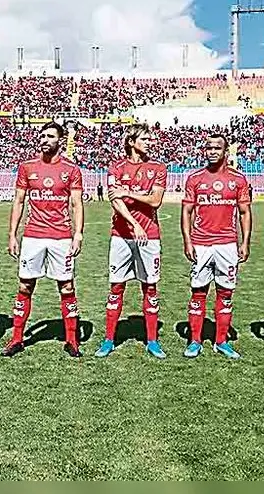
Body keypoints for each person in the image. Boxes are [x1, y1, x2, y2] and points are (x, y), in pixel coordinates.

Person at [3, 122, 84, 358]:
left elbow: (76, 204)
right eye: (42, 136)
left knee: (66, 286)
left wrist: (77, 234)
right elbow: (19, 202)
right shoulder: (27, 167)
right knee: (24, 286)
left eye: (50, 136)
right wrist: (12, 234)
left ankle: (71, 340)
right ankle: (17, 338)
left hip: (61, 237)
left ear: (61, 140)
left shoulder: (71, 169)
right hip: (33, 236)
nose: (44, 140)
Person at [94, 124, 168, 359]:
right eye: (145, 138)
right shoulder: (116, 167)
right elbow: (114, 200)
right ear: (131, 141)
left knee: (150, 287)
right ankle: (108, 339)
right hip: (121, 236)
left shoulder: (158, 168)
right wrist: (134, 223)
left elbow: (155, 201)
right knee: (116, 287)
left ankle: (153, 341)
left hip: (150, 237)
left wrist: (128, 193)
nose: (150, 142)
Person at [180, 133, 251, 359]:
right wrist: (188, 241)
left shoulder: (238, 179)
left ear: (225, 152)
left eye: (217, 148)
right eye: (208, 148)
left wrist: (245, 241)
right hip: (201, 244)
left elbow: (244, 212)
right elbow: (187, 211)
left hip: (227, 245)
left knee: (226, 292)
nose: (212, 151)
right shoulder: (194, 178)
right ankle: (194, 341)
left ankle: (221, 341)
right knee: (198, 292)